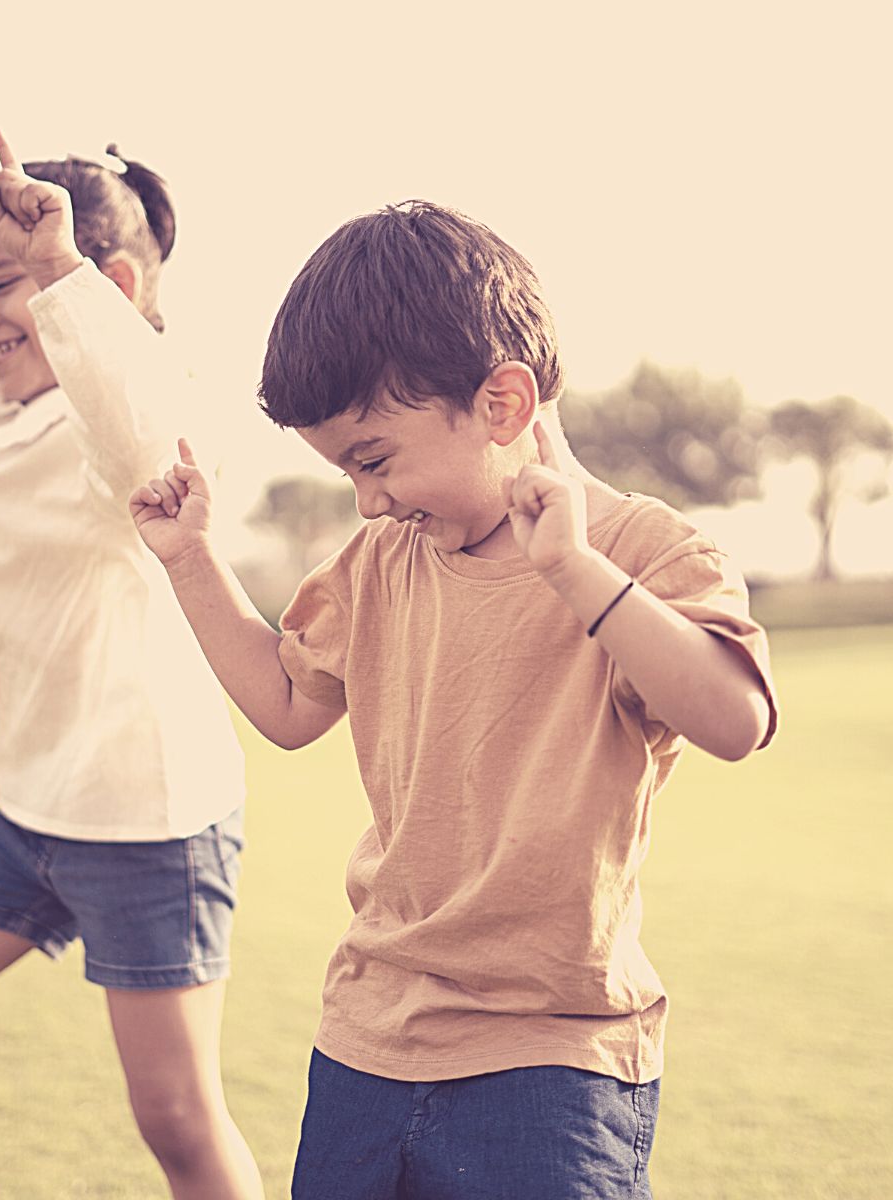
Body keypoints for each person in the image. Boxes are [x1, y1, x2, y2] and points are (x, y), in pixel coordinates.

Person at [131, 200, 778, 1199]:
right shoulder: (381, 560)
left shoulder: (643, 556)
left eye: (374, 458)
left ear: (503, 405)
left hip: (551, 1062)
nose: (369, 500)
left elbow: (734, 721)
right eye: (345, 470)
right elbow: (289, 708)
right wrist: (191, 562)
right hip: (367, 1040)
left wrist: (572, 570)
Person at [0, 132, 263, 1200]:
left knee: (179, 1124)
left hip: (148, 822)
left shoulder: (137, 415)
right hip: (30, 814)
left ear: (113, 285)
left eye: (1, 284)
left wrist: (52, 272)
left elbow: (149, 444)